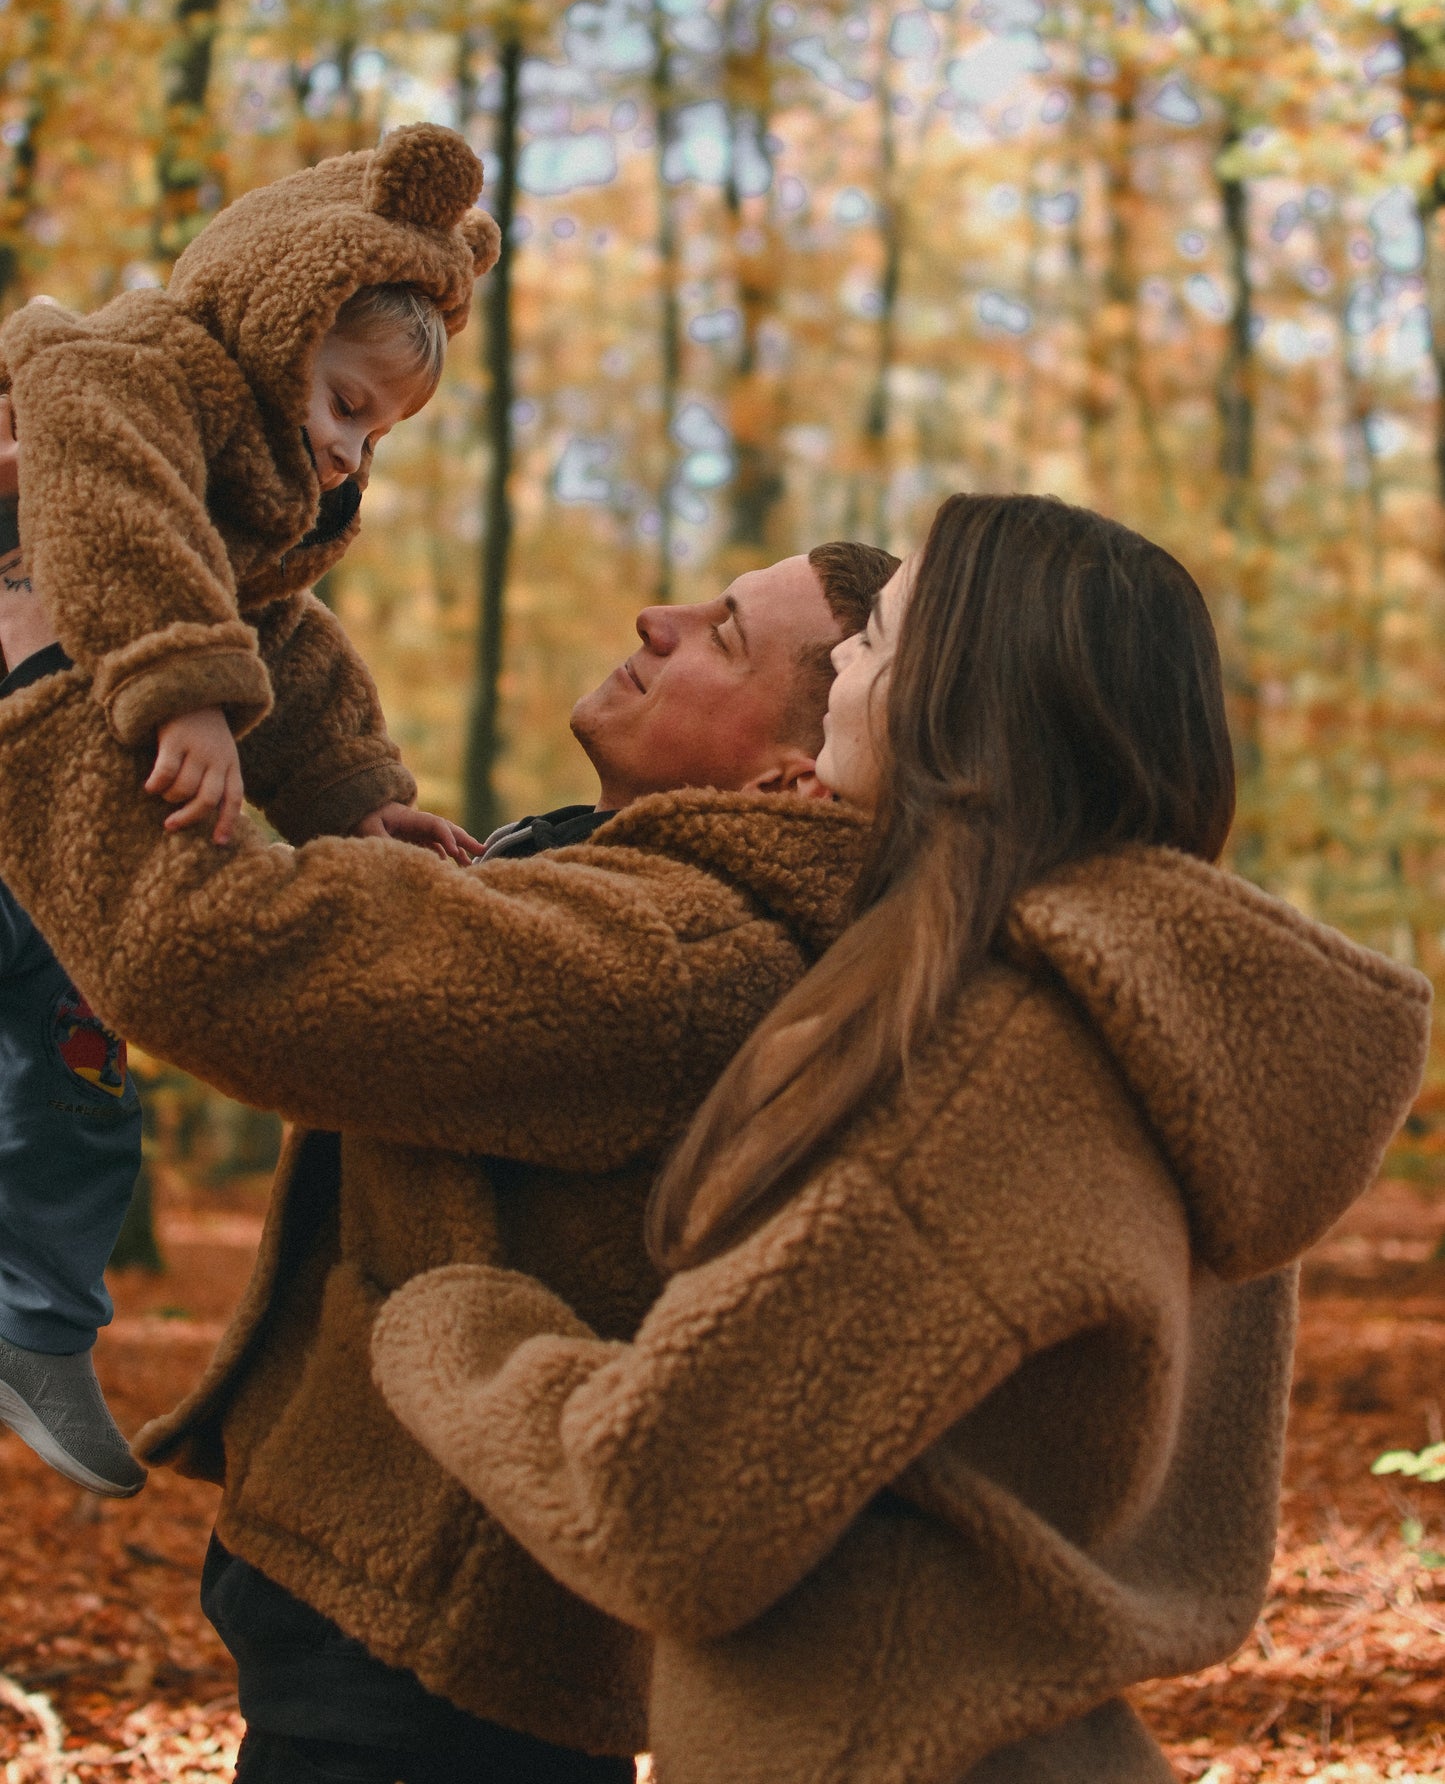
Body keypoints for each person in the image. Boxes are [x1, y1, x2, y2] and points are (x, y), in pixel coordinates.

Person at [368, 493, 1432, 1784]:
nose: (839, 683)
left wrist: (449, 1322)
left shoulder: (1008, 1065)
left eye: (874, 639)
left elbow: (655, 1506)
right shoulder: (1179, 1044)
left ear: (960, 697)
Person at [0, 530, 895, 1782]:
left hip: (429, 1679)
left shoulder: (682, 958)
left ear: (794, 778)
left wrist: (39, 671)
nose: (655, 617)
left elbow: (204, 953)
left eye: (724, 632)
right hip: (412, 1641)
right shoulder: (626, 890)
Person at [0, 124, 497, 1500]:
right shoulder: (128, 368)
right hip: (24, 724)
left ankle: (35, 1328)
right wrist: (184, 693)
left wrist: (354, 800)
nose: (347, 454)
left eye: (375, 434)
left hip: (38, 819)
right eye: (344, 404)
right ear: (278, 317)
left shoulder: (263, 507)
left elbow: (288, 642)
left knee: (75, 1074)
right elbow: (110, 504)